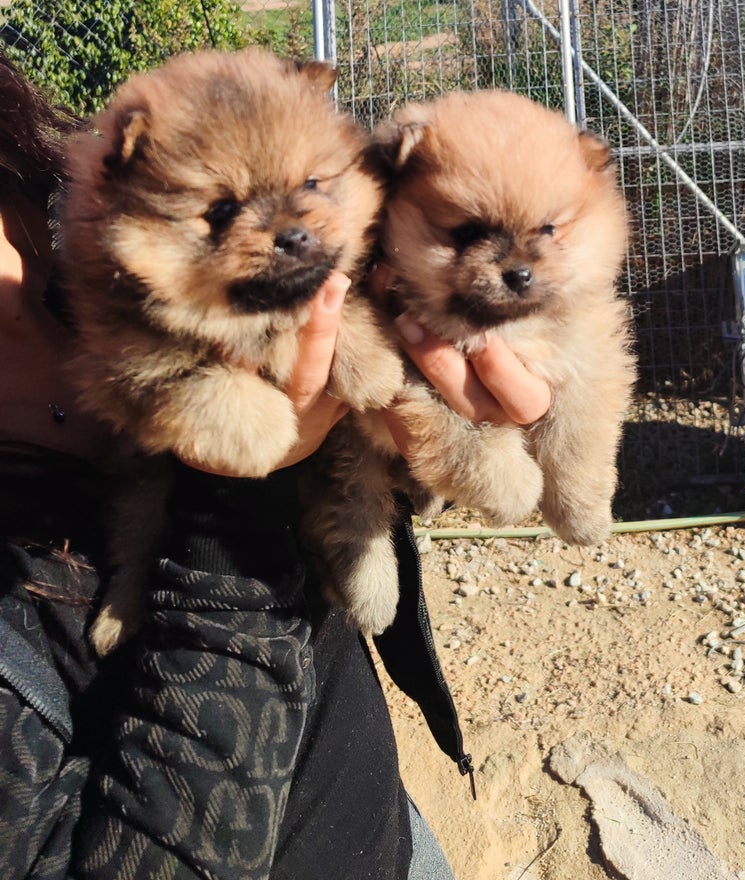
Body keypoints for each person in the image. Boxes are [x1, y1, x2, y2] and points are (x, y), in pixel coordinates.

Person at [0, 55, 551, 880]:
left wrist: (438, 391)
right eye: (220, 211)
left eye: (309, 187)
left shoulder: (52, 190)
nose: (288, 228)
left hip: (375, 812)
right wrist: (231, 504)